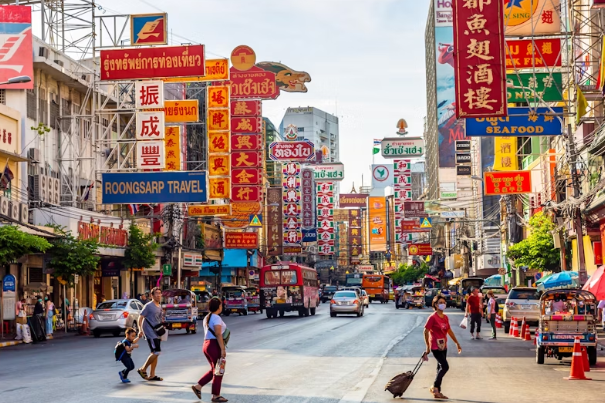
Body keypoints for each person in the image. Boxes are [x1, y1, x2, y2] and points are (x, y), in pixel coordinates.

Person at [424, 295, 462, 400]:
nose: (443, 304)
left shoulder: (445, 317)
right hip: (435, 346)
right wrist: (427, 346)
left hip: (443, 345)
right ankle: (435, 388)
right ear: (435, 305)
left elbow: (449, 331)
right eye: (440, 302)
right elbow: (426, 331)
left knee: (439, 368)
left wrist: (456, 343)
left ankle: (437, 392)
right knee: (445, 367)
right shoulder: (432, 317)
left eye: (444, 302)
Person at [191, 297, 228, 402]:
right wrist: (222, 349)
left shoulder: (207, 317)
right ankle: (216, 395)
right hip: (213, 345)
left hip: (206, 344)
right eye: (221, 305)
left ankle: (198, 386)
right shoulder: (216, 317)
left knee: (214, 369)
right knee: (219, 370)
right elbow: (218, 334)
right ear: (219, 306)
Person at [137, 287, 164, 382]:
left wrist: (161, 334)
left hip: (157, 332)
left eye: (160, 293)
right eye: (156, 293)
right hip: (149, 332)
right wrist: (140, 330)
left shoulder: (159, 306)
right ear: (152, 295)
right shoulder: (148, 306)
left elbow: (159, 320)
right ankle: (143, 369)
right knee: (156, 352)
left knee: (155, 353)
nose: (158, 295)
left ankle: (152, 375)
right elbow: (140, 317)